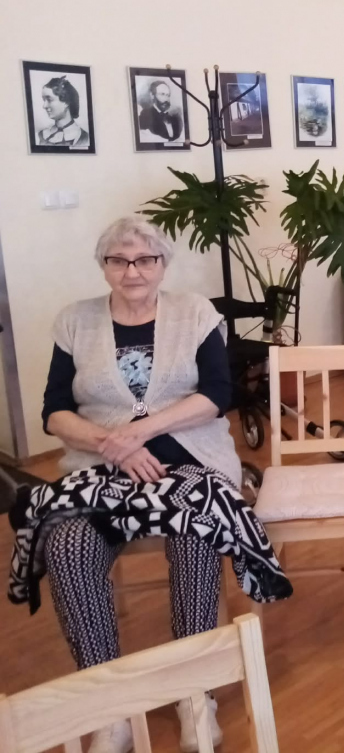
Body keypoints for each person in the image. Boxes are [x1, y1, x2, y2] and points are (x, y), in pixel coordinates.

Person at [41, 215, 240, 753]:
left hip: (190, 461)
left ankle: (194, 693)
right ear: (104, 266)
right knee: (67, 545)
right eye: (119, 260)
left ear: (162, 264)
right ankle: (111, 705)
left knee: (197, 530)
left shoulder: (194, 313)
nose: (133, 271)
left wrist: (141, 431)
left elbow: (218, 394)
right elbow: (54, 411)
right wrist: (113, 444)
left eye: (145, 259)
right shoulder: (75, 322)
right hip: (99, 472)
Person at [37, 76, 90, 147]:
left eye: (49, 100)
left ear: (66, 102)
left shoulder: (84, 138)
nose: (44, 106)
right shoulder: (40, 136)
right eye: (44, 100)